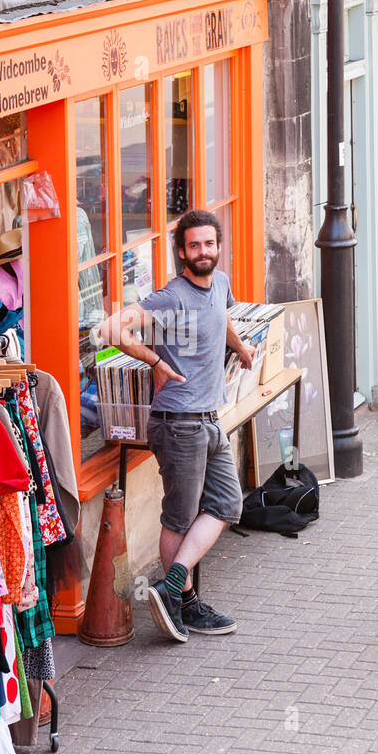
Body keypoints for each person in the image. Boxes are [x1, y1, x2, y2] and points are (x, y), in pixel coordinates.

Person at [100, 209, 255, 642]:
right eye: (194, 246)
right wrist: (155, 361)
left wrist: (241, 348)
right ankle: (182, 602)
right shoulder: (171, 297)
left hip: (209, 418)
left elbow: (221, 318)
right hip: (178, 423)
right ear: (181, 252)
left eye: (209, 244)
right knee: (180, 518)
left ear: (218, 247)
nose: (202, 252)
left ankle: (174, 588)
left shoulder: (219, 283)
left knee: (227, 504)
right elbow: (111, 328)